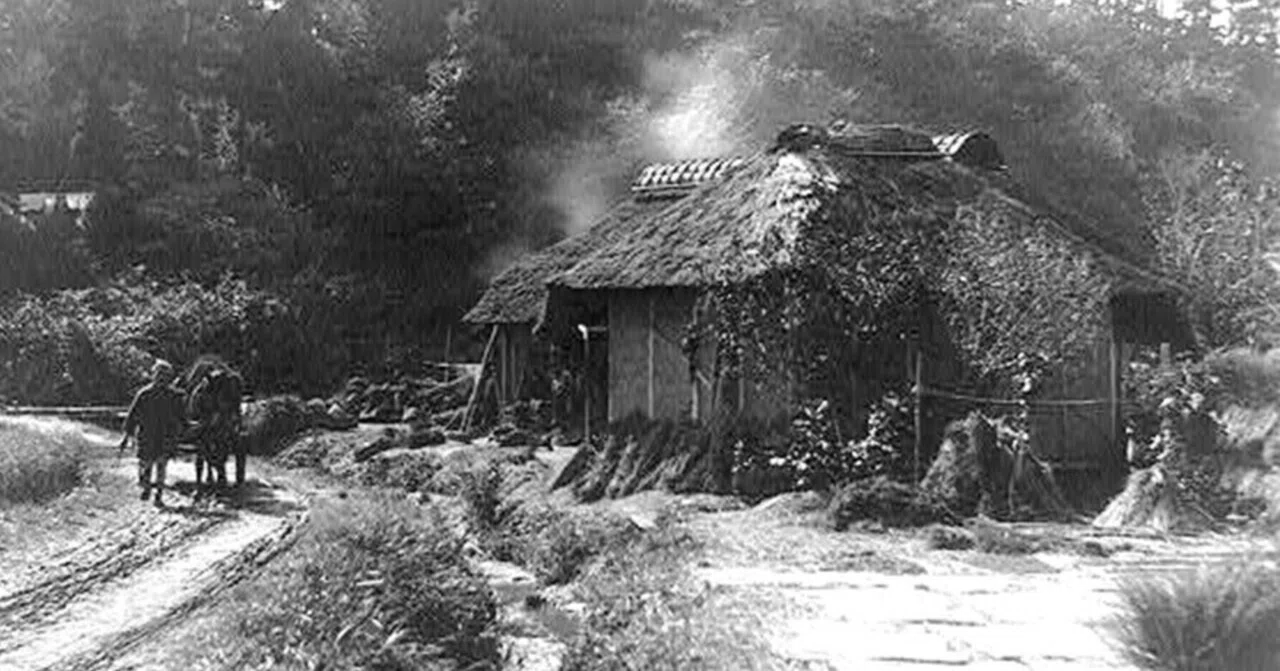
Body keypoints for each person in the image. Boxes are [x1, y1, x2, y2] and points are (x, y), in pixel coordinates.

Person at [119, 359, 187, 506]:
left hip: (165, 435)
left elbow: (181, 416)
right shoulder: (144, 394)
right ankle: (146, 485)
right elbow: (132, 416)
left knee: (161, 465)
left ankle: (158, 494)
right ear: (154, 375)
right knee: (146, 463)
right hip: (147, 435)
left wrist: (186, 427)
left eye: (164, 375)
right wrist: (126, 435)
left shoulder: (174, 396)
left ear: (168, 377)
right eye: (159, 374)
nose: (161, 378)